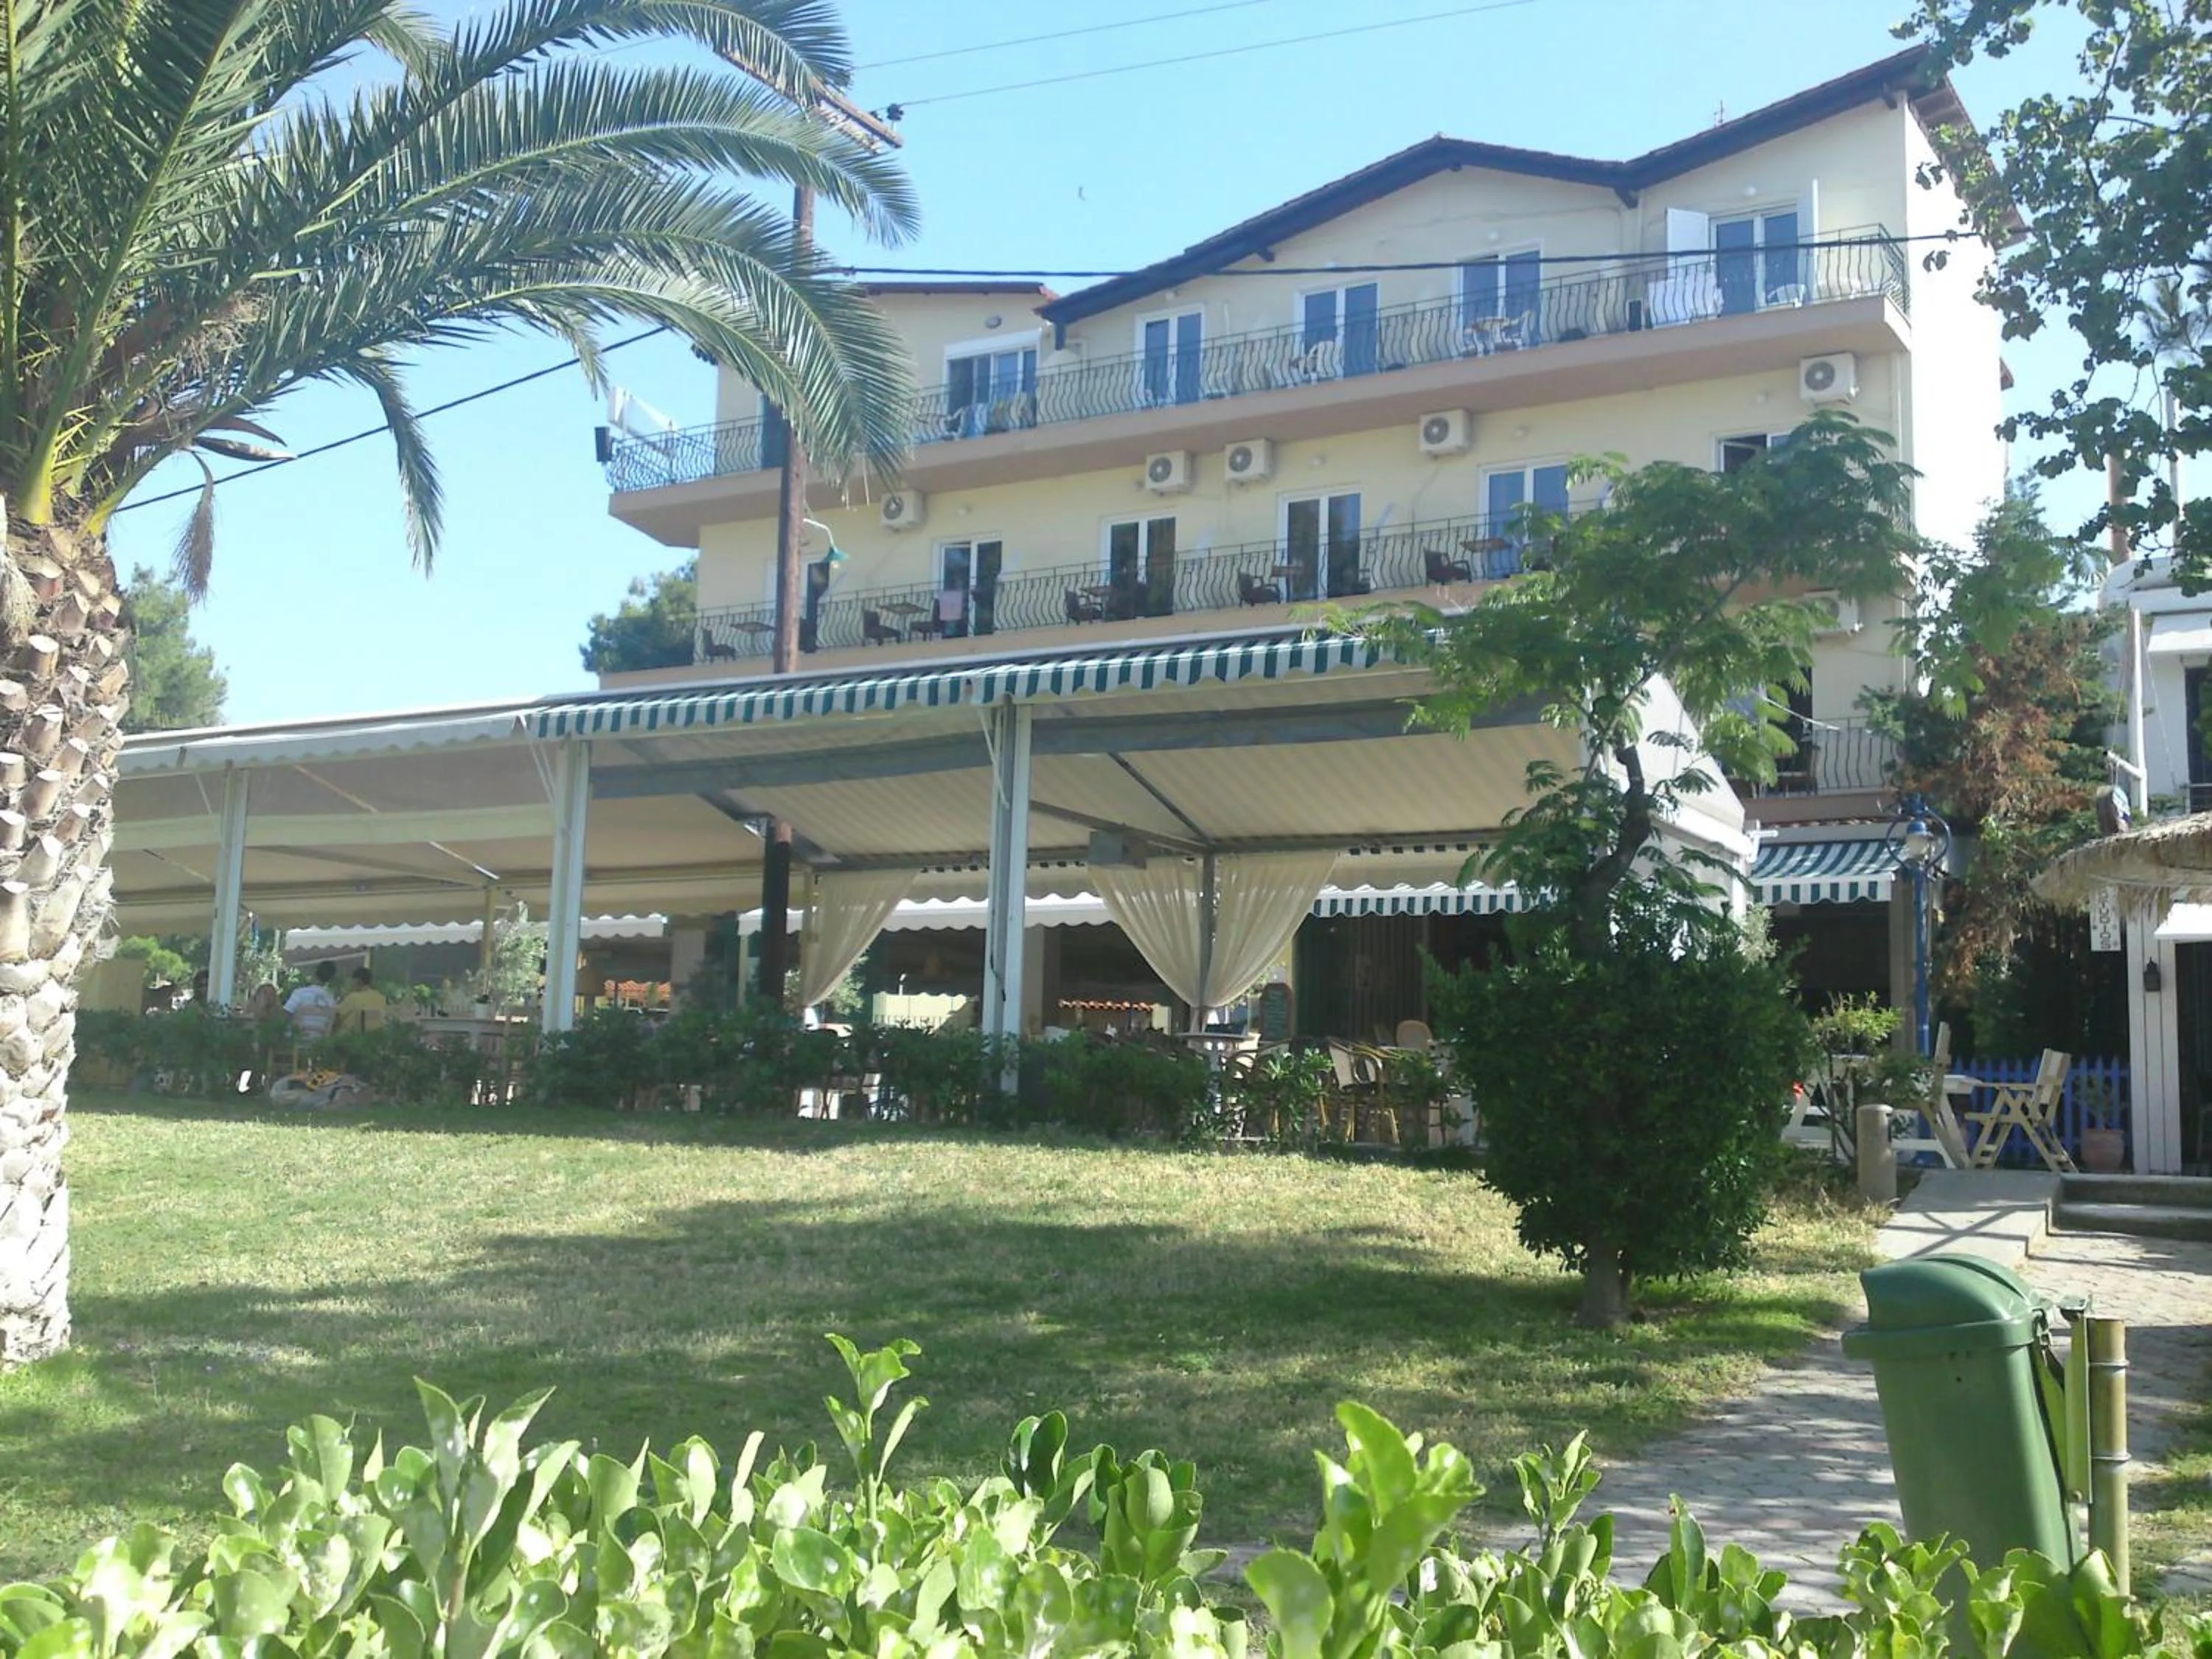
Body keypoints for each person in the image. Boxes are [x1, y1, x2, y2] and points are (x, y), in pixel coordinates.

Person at [283, 961, 340, 1040]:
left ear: (314, 974)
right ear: (330, 978)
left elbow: (285, 1015)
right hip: (320, 1043)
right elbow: (333, 1024)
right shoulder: (331, 999)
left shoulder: (299, 993)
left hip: (297, 1041)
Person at [334, 967, 388, 1033]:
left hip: (349, 1038)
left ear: (357, 981)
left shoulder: (353, 998)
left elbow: (336, 1016)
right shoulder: (381, 998)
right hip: (374, 1038)